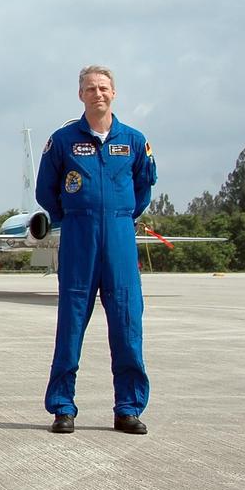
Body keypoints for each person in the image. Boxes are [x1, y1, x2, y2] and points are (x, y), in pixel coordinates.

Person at [36, 65, 157, 435]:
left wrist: (119, 216)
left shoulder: (134, 141)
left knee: (126, 325)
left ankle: (128, 408)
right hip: (78, 237)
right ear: (81, 95)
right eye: (90, 88)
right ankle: (62, 407)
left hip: (119, 237)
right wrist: (74, 215)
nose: (98, 94)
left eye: (103, 88)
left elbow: (143, 191)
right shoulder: (63, 141)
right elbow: (46, 191)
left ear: (114, 93)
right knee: (70, 325)